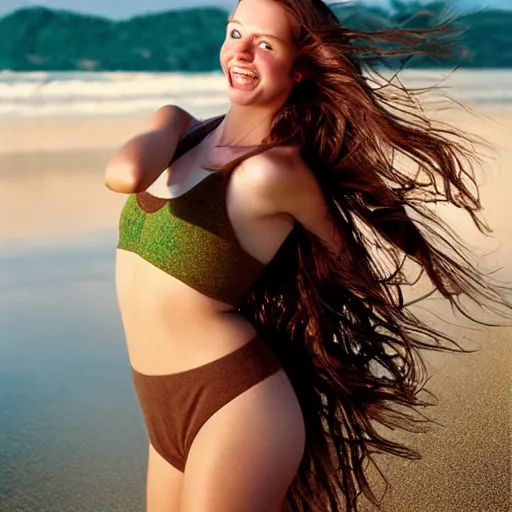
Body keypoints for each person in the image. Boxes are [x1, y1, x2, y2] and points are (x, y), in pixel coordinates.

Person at [105, 0, 510, 510]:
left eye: (265, 44)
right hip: (159, 406)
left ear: (300, 67)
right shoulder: (180, 128)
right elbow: (122, 174)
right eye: (235, 33)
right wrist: (172, 125)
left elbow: (346, 258)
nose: (242, 51)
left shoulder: (275, 172)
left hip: (234, 402)